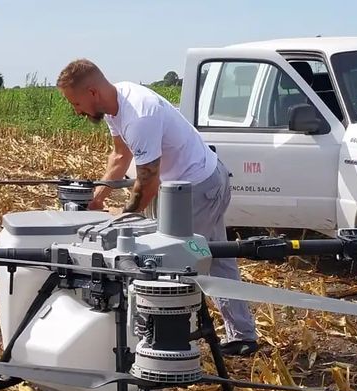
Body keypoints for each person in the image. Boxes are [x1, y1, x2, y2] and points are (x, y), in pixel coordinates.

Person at [56, 58, 259, 357]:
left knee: (177, 261)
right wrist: (97, 199)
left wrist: (123, 219)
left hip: (197, 188)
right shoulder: (115, 105)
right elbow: (119, 156)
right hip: (192, 182)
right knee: (215, 258)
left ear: (92, 92)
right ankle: (242, 335)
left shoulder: (139, 115)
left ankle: (172, 345)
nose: (76, 111)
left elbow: (147, 183)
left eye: (76, 102)